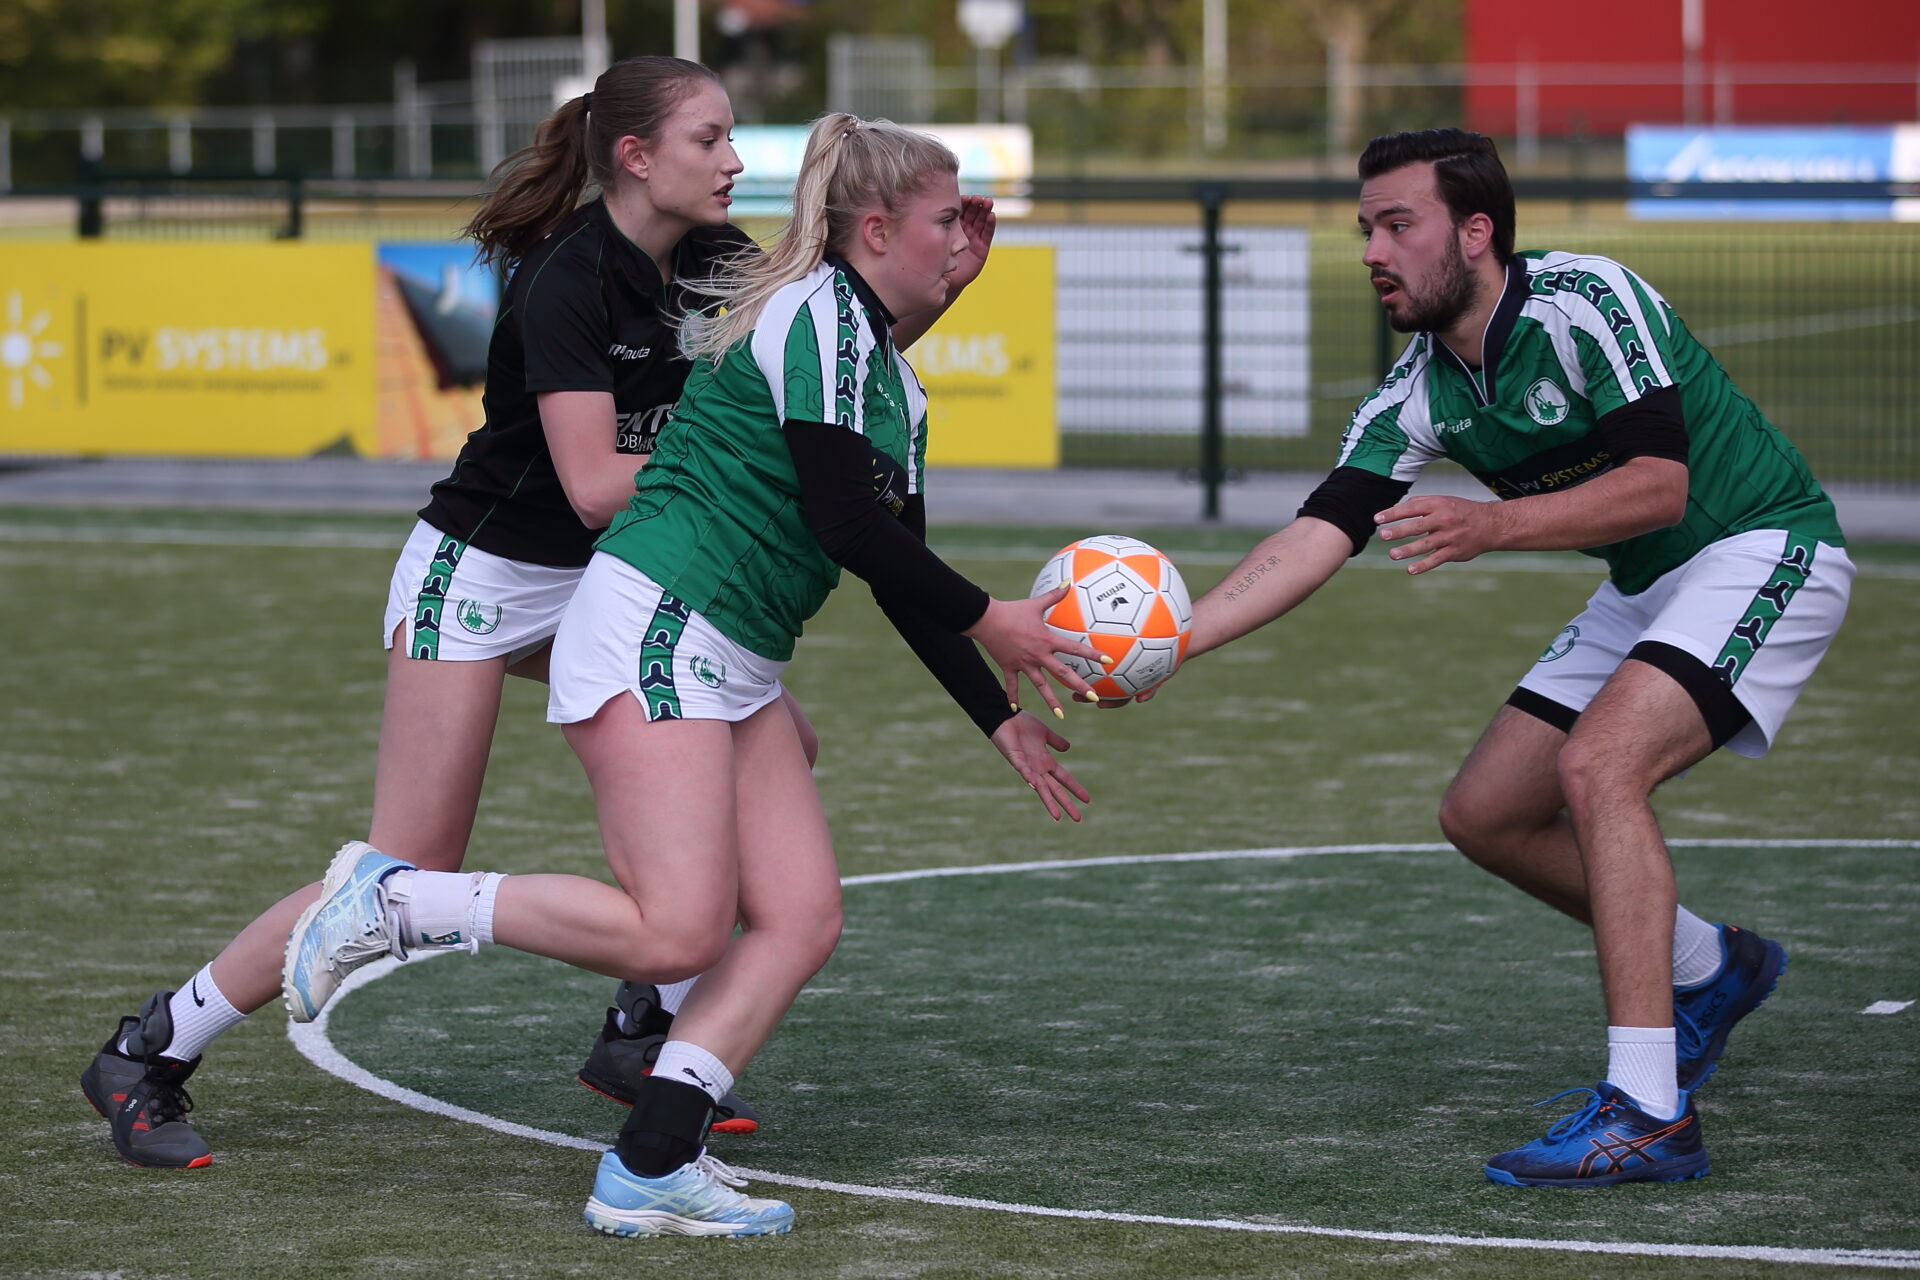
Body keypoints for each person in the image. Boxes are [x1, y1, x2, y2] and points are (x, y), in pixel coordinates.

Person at [77, 57, 977, 1170]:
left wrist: (933, 290)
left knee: (781, 734)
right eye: (712, 139)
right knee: (404, 859)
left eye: (737, 139)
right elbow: (596, 481)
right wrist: (728, 466)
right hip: (486, 574)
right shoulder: (568, 277)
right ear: (638, 157)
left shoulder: (719, 259)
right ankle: (153, 1045)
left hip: (621, 577)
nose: (738, 162)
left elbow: (821, 371)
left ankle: (641, 1025)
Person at [281, 111, 1102, 1238]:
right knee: (675, 932)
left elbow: (897, 565)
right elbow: (846, 521)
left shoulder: (885, 374)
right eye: (947, 217)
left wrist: (997, 713)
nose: (969, 238)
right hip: (660, 626)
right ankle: (396, 896)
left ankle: (650, 1162)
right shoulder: (816, 315)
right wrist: (996, 615)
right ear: (876, 229)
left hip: (730, 654)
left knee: (801, 917)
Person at [1155, 128, 1851, 1188]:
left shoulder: (1585, 300)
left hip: (1763, 545)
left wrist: (1491, 526)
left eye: (1397, 225)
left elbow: (1659, 485)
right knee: (1484, 810)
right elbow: (1313, 535)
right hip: (1648, 584)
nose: (1372, 251)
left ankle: (1650, 1113)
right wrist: (1172, 642)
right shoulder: (1416, 391)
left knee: (1599, 767)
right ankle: (1710, 965)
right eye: (1365, 230)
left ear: (1475, 231)